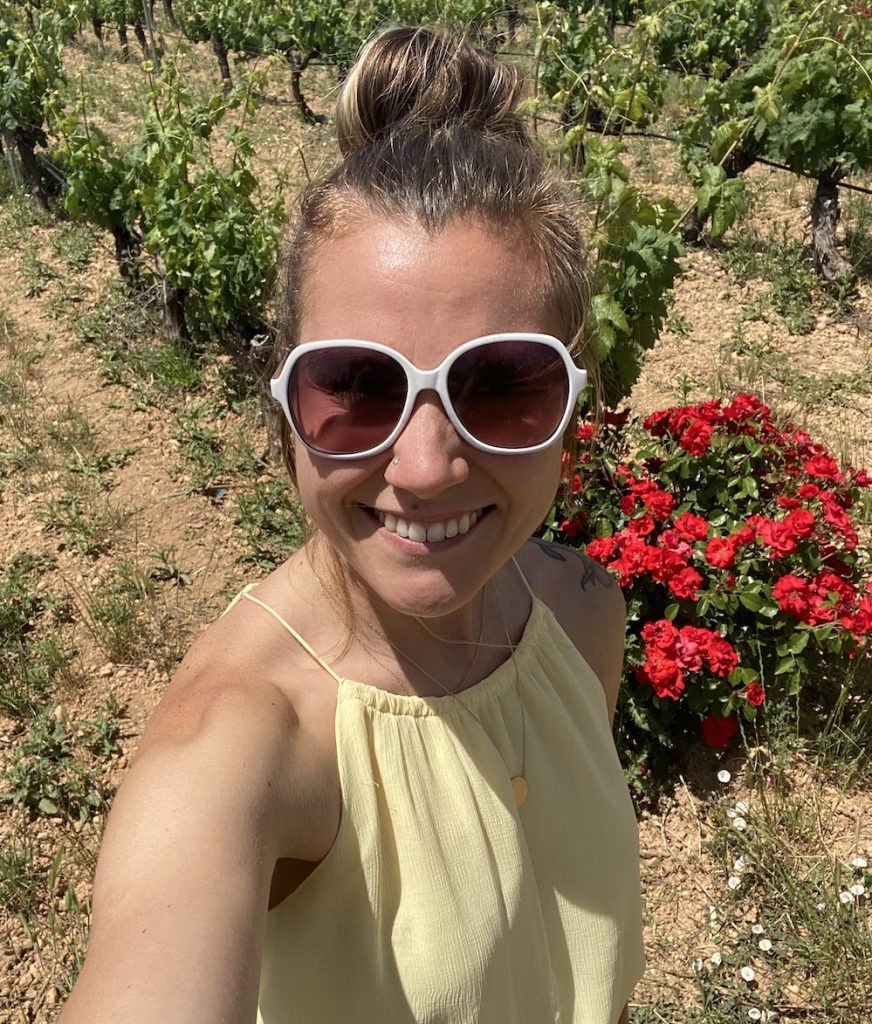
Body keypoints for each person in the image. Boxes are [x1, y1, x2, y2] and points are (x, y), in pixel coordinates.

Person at [59, 26, 645, 1024]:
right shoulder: (240, 750)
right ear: (283, 401)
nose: (423, 468)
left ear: (573, 398)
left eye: (499, 385)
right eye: (355, 387)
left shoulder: (579, 617)